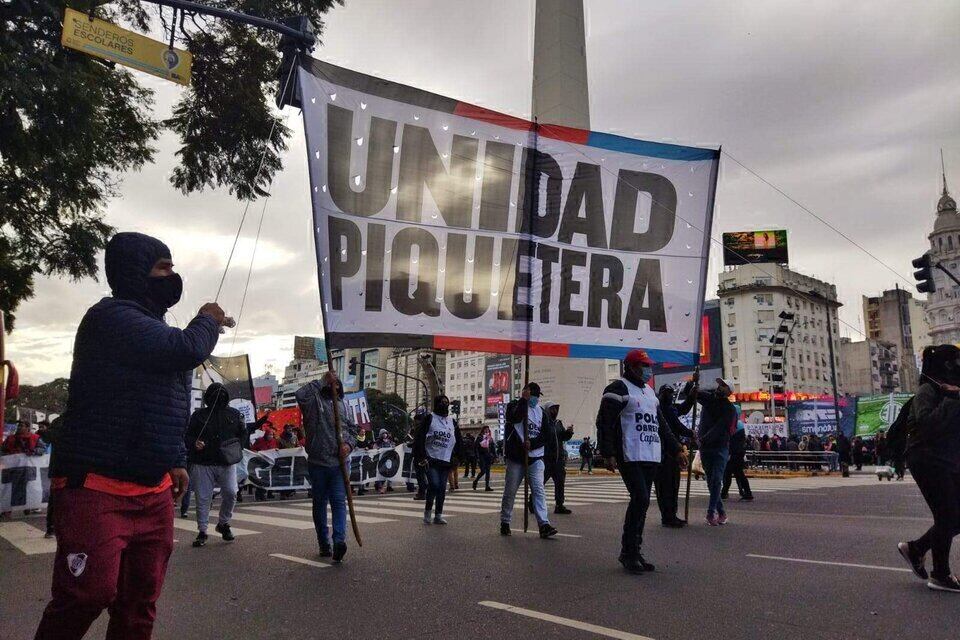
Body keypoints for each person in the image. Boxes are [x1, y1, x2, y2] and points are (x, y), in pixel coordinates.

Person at [35, 231, 228, 640]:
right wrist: (207, 318)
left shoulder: (156, 331)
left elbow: (168, 404)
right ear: (134, 273)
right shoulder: (110, 319)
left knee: (139, 604)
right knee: (86, 594)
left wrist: (175, 458)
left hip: (152, 492)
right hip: (96, 487)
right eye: (163, 268)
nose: (172, 277)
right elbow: (185, 348)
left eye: (174, 268)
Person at [597, 350, 685, 573]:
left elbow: (661, 425)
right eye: (644, 365)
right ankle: (628, 552)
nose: (649, 369)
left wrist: (676, 449)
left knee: (643, 503)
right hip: (630, 453)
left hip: (651, 453)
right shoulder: (617, 389)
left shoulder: (649, 392)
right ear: (632, 367)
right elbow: (604, 422)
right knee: (640, 498)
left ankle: (635, 550)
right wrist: (608, 453)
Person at [897, 345, 960, 592]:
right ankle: (940, 574)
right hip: (928, 459)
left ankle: (917, 549)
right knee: (947, 516)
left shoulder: (953, 390)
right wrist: (952, 399)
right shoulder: (928, 390)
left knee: (956, 517)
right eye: (954, 361)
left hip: (948, 460)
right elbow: (927, 426)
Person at [296, 372, 358, 562]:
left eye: (337, 383)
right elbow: (300, 394)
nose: (335, 386)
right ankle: (324, 542)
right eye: (331, 383)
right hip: (317, 463)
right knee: (320, 504)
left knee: (339, 502)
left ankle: (339, 541)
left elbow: (353, 431)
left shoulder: (344, 406)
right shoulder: (312, 402)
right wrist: (322, 380)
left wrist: (348, 445)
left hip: (339, 464)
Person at [183, 382, 246, 547]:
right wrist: (194, 443)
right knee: (203, 498)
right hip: (202, 462)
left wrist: (237, 448)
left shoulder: (234, 414)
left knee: (231, 492)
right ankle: (202, 531)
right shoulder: (198, 416)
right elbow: (187, 436)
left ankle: (223, 523)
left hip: (226, 462)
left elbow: (243, 434)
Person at [499, 383, 557, 539]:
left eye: (537, 396)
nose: (535, 399)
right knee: (510, 491)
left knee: (539, 490)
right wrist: (523, 401)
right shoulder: (514, 405)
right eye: (533, 395)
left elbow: (547, 435)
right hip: (516, 458)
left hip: (536, 457)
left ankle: (543, 524)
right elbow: (513, 417)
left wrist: (534, 443)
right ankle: (505, 521)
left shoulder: (542, 413)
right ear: (525, 393)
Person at [691, 377, 737, 526]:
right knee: (711, 481)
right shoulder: (709, 399)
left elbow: (720, 427)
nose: (719, 387)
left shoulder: (729, 409)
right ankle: (722, 512)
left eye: (723, 385)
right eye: (719, 384)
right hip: (705, 448)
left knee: (717, 479)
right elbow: (693, 393)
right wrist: (693, 382)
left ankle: (711, 512)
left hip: (719, 448)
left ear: (729, 392)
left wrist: (703, 439)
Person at [413, 395, 462, 525]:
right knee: (434, 484)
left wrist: (457, 456)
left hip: (445, 461)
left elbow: (458, 440)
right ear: (436, 403)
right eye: (442, 402)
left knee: (441, 488)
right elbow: (420, 438)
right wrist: (422, 456)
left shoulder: (452, 422)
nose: (445, 404)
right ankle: (427, 512)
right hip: (431, 459)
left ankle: (438, 515)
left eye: (447, 402)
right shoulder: (429, 418)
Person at [654, 384, 696, 527]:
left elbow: (683, 408)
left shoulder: (670, 408)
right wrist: (690, 433)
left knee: (673, 486)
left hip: (672, 453)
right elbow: (676, 425)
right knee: (665, 487)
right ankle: (668, 517)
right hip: (663, 453)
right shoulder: (660, 409)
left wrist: (691, 397)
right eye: (667, 393)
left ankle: (671, 515)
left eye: (671, 393)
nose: (670, 396)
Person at [538, 402, 574, 515]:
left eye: (556, 409)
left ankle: (559, 505)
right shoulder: (543, 423)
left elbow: (563, 437)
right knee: (540, 483)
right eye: (552, 409)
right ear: (547, 410)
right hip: (546, 459)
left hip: (558, 460)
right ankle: (532, 503)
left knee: (560, 483)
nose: (555, 411)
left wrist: (569, 433)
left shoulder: (558, 423)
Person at [721, 405, 754, 502]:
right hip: (738, 454)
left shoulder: (735, 424)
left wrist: (729, 453)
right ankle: (743, 492)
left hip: (733, 454)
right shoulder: (739, 424)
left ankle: (725, 493)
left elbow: (731, 441)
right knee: (737, 474)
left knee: (730, 474)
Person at [250, 427, 279, 501]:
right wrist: (256, 452)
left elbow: (276, 449)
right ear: (266, 435)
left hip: (269, 463)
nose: (270, 436)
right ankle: (259, 494)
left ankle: (263, 494)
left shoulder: (274, 441)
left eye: (272, 435)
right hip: (260, 463)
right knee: (260, 480)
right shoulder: (260, 441)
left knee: (266, 480)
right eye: (269, 434)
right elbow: (253, 448)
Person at [473, 425, 496, 491]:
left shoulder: (489, 438)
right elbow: (476, 447)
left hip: (488, 456)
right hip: (481, 456)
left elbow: (492, 447)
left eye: (488, 429)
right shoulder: (479, 437)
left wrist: (495, 456)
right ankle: (475, 481)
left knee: (488, 472)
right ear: (483, 430)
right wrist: (477, 456)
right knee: (483, 471)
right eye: (485, 429)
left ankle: (487, 486)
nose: (487, 430)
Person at [375, 429, 396, 494]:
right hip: (381, 460)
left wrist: (393, 447)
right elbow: (374, 448)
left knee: (389, 472)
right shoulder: (378, 441)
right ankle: (380, 487)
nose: (385, 434)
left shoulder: (390, 441)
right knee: (380, 473)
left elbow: (393, 446)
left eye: (385, 433)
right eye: (383, 433)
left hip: (389, 459)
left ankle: (389, 486)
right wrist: (377, 448)